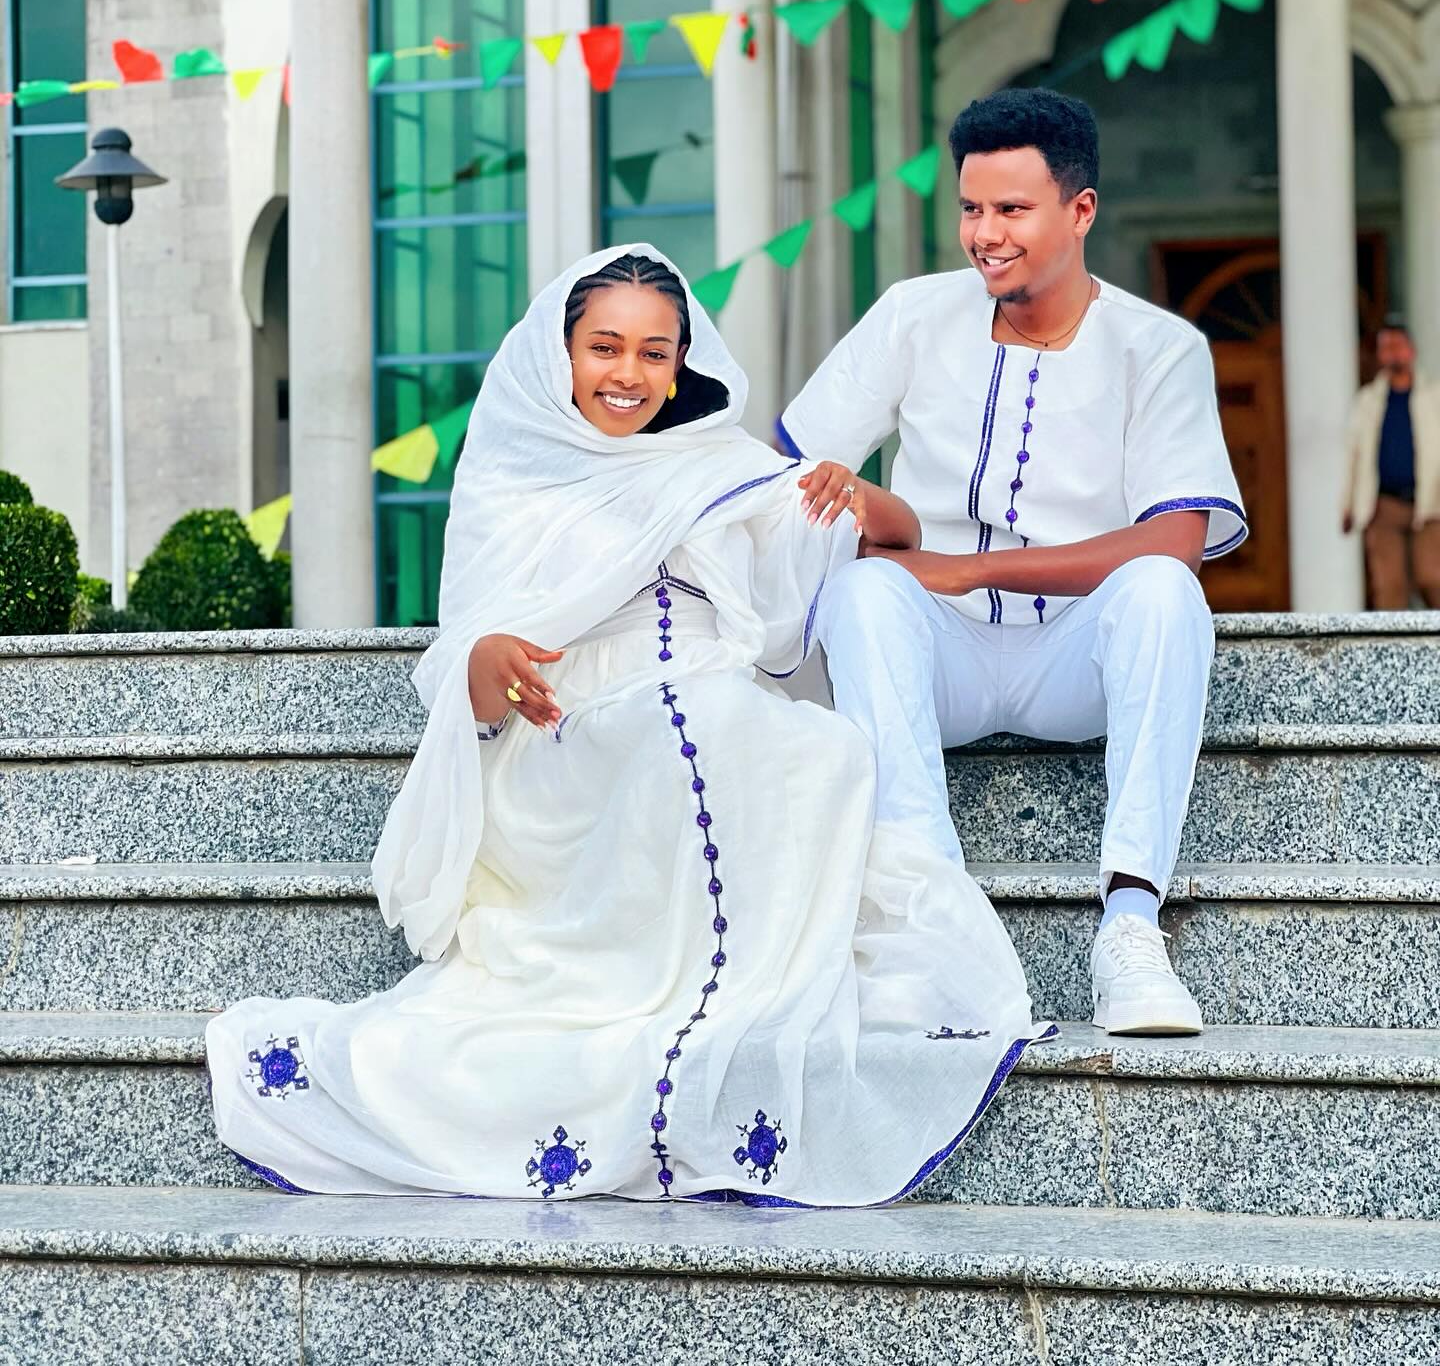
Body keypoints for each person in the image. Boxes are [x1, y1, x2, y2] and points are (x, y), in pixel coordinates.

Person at [207, 246, 1050, 1202]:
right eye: (605, 348)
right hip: (569, 732)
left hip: (708, 698)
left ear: (683, 362)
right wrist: (490, 665)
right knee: (685, 725)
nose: (629, 375)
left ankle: (725, 1020)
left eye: (656, 353)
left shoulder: (719, 466)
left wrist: (855, 492)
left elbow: (896, 540)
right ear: (559, 354)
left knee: (805, 748)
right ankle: (683, 1030)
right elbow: (469, 677)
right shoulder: (513, 478)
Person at [782, 88, 1245, 1038]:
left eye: (1011, 210)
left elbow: (1176, 540)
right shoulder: (913, 315)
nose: (984, 234)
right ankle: (928, 926)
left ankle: (1128, 925)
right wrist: (870, 517)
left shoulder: (1158, 348)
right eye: (970, 208)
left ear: (1080, 211)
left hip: (1074, 662)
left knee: (1163, 593)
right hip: (936, 656)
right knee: (865, 593)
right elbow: (785, 475)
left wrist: (975, 570)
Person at [1343, 319, 1440, 608]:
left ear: (1411, 350)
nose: (1392, 353)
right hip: (1382, 505)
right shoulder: (1368, 400)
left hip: (1430, 503)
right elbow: (1354, 455)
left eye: (1397, 346)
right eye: (1386, 347)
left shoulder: (1434, 397)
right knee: (1389, 587)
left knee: (1432, 578)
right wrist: (1347, 505)